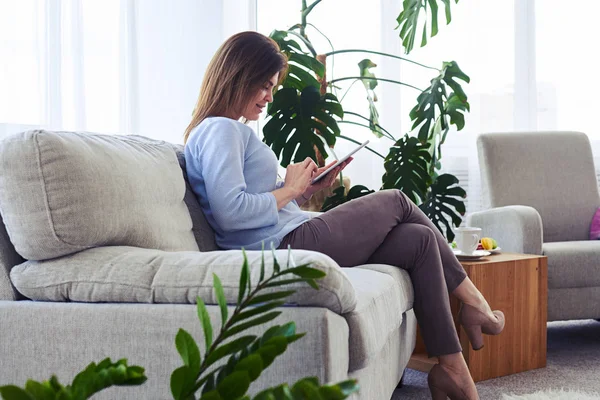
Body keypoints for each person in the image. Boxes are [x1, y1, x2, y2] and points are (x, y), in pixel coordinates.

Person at [183, 31, 504, 400]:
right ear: (240, 75)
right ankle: (476, 304)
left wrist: (304, 190)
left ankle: (453, 370)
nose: (270, 97)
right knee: (398, 200)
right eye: (265, 86)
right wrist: (289, 189)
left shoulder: (225, 131)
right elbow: (231, 213)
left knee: (419, 240)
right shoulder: (220, 129)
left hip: (289, 235)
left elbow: (254, 205)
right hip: (284, 246)